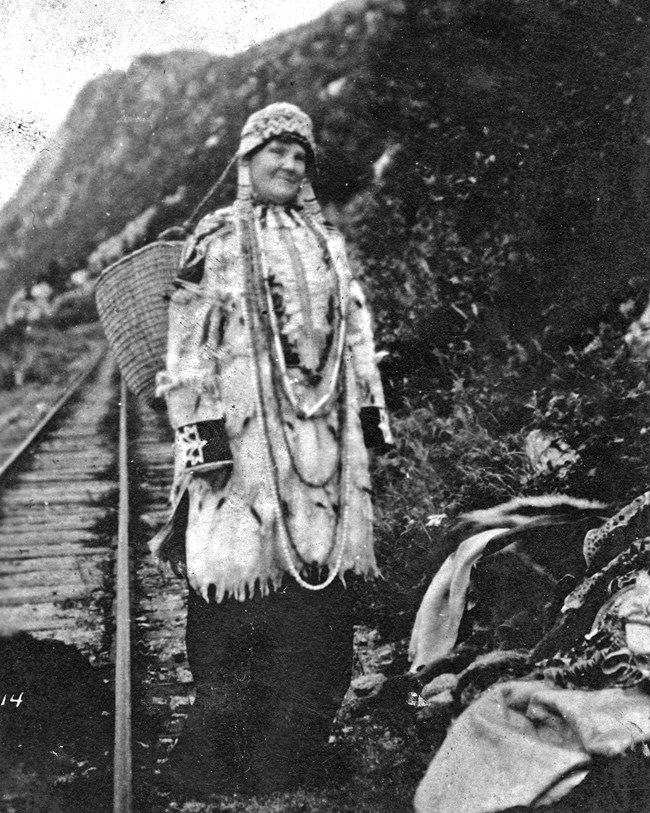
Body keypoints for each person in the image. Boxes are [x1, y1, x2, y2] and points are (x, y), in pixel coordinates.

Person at [150, 102, 392, 796]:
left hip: (320, 449)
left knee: (318, 604)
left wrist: (372, 420)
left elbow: (356, 336)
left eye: (300, 155)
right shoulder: (217, 238)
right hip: (243, 447)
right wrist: (203, 437)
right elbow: (187, 347)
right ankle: (212, 758)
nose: (288, 164)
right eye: (274, 151)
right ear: (247, 160)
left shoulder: (326, 243)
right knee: (234, 591)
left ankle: (291, 754)